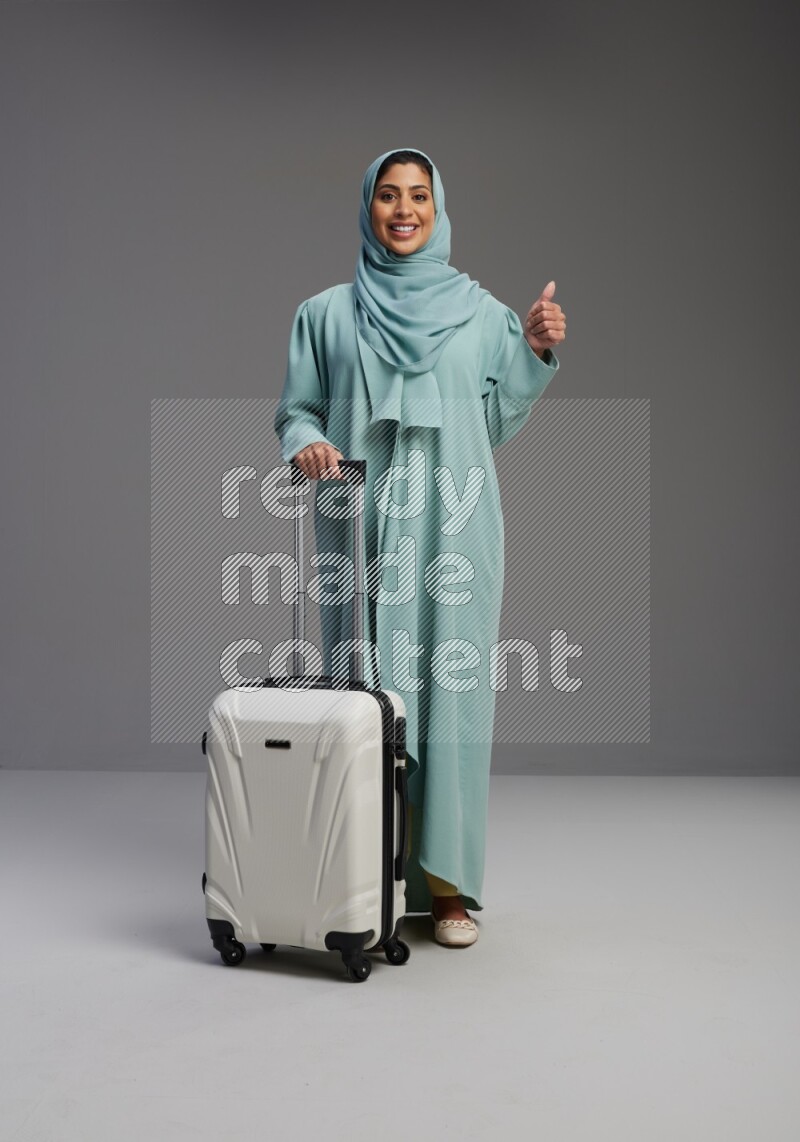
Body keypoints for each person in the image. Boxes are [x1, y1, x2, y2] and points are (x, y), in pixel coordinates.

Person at [274, 148, 566, 948]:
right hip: (359, 526)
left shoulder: (485, 315)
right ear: (368, 207)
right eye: (388, 197)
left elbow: (497, 423)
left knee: (452, 706)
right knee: (362, 699)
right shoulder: (325, 314)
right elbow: (295, 411)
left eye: (419, 197)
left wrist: (535, 353)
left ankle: (445, 889)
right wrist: (305, 442)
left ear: (439, 211)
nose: (404, 210)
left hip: (455, 531)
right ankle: (357, 882)